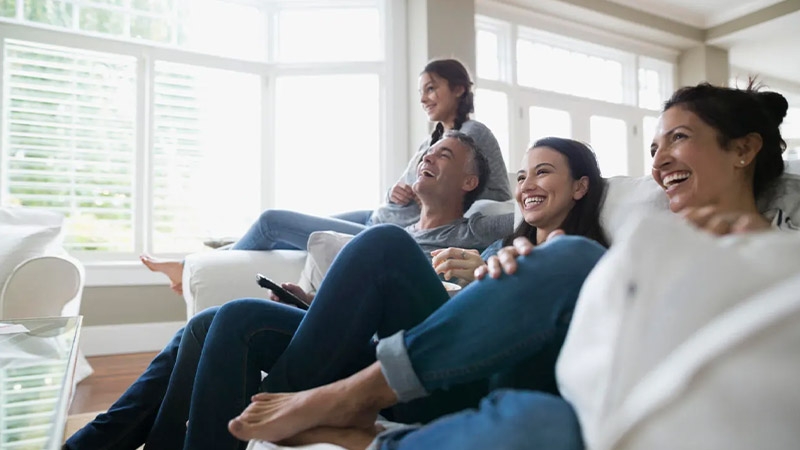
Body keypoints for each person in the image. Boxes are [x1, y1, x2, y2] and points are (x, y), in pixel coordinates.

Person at [224, 81, 794, 450]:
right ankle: (352, 394)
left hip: (588, 395)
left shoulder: (780, 256)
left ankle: (371, 437)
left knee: (538, 426)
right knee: (562, 257)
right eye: (653, 148)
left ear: (743, 149)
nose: (661, 159)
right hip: (536, 358)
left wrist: (734, 255)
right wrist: (514, 275)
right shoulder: (641, 235)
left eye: (680, 139)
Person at [138, 137, 607, 450]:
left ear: (581, 186)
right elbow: (446, 314)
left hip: (460, 378)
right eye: (523, 176)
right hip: (420, 347)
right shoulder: (496, 246)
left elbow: (553, 331)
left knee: (384, 245)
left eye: (543, 173)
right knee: (238, 318)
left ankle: (297, 400)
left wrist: (486, 275)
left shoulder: (595, 261)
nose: (527, 185)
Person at [64, 130, 511, 450]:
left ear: (471, 184)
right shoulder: (398, 221)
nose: (427, 158)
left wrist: (479, 268)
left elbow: (478, 306)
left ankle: (266, 419)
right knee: (211, 323)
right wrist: (317, 303)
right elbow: (364, 299)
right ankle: (102, 442)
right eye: (427, 152)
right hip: (358, 342)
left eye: (444, 156)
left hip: (412, 360)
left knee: (375, 246)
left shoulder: (479, 241)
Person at [141, 58, 511, 294]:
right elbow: (404, 189)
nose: (424, 98)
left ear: (459, 89)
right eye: (421, 91)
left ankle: (195, 266)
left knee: (272, 222)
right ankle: (224, 247)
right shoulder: (431, 140)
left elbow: (493, 196)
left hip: (385, 231)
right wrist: (400, 191)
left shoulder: (472, 136)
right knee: (279, 228)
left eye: (432, 88)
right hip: (377, 215)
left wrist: (438, 197)